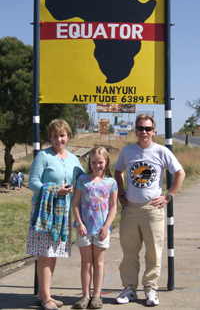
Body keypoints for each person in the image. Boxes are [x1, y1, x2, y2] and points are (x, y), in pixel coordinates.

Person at [114, 114, 185, 307]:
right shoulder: (127, 151)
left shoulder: (162, 152)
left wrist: (168, 196)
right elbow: (117, 171)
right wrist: (120, 191)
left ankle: (150, 289)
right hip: (130, 209)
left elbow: (180, 173)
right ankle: (129, 288)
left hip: (152, 210)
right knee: (130, 251)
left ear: (153, 131)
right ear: (135, 130)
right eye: (140, 128)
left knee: (154, 252)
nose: (144, 132)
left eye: (148, 129)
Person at [26, 119, 85, 310]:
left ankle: (44, 294)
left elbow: (83, 181)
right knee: (44, 254)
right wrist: (54, 190)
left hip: (64, 213)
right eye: (54, 136)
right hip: (45, 212)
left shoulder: (74, 159)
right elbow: (32, 182)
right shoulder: (43, 156)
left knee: (53, 254)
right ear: (50, 137)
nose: (59, 139)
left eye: (62, 135)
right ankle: (46, 298)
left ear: (68, 136)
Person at [72, 146, 118, 309]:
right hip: (84, 229)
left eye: (100, 162)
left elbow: (113, 207)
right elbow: (75, 203)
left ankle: (97, 296)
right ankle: (85, 295)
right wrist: (79, 223)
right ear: (89, 162)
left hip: (101, 231)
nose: (97, 165)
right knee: (86, 262)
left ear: (106, 163)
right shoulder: (82, 180)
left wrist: (106, 226)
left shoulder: (111, 182)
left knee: (98, 263)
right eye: (94, 162)